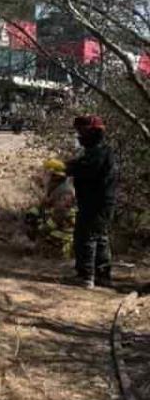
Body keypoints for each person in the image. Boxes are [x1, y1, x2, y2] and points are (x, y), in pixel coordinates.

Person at [63, 115, 118, 288]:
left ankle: (86, 277)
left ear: (93, 133)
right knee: (100, 237)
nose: (80, 136)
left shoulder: (98, 153)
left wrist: (66, 168)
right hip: (101, 202)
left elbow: (86, 169)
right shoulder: (100, 151)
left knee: (85, 237)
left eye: (82, 132)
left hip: (95, 203)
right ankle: (102, 276)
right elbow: (83, 165)